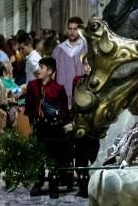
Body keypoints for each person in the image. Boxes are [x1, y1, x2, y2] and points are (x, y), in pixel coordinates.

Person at [26, 57, 69, 198]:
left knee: (54, 157)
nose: (39, 70)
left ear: (50, 71)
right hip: (40, 126)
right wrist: (32, 123)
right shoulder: (32, 85)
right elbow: (30, 106)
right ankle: (38, 183)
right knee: (39, 155)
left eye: (42, 67)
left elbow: (64, 111)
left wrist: (59, 120)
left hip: (53, 128)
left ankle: (54, 184)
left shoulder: (58, 89)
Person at [53, 17, 88, 109]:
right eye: (70, 28)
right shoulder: (59, 50)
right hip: (62, 95)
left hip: (82, 93)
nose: (72, 32)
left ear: (80, 30)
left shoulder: (87, 48)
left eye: (75, 29)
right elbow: (53, 73)